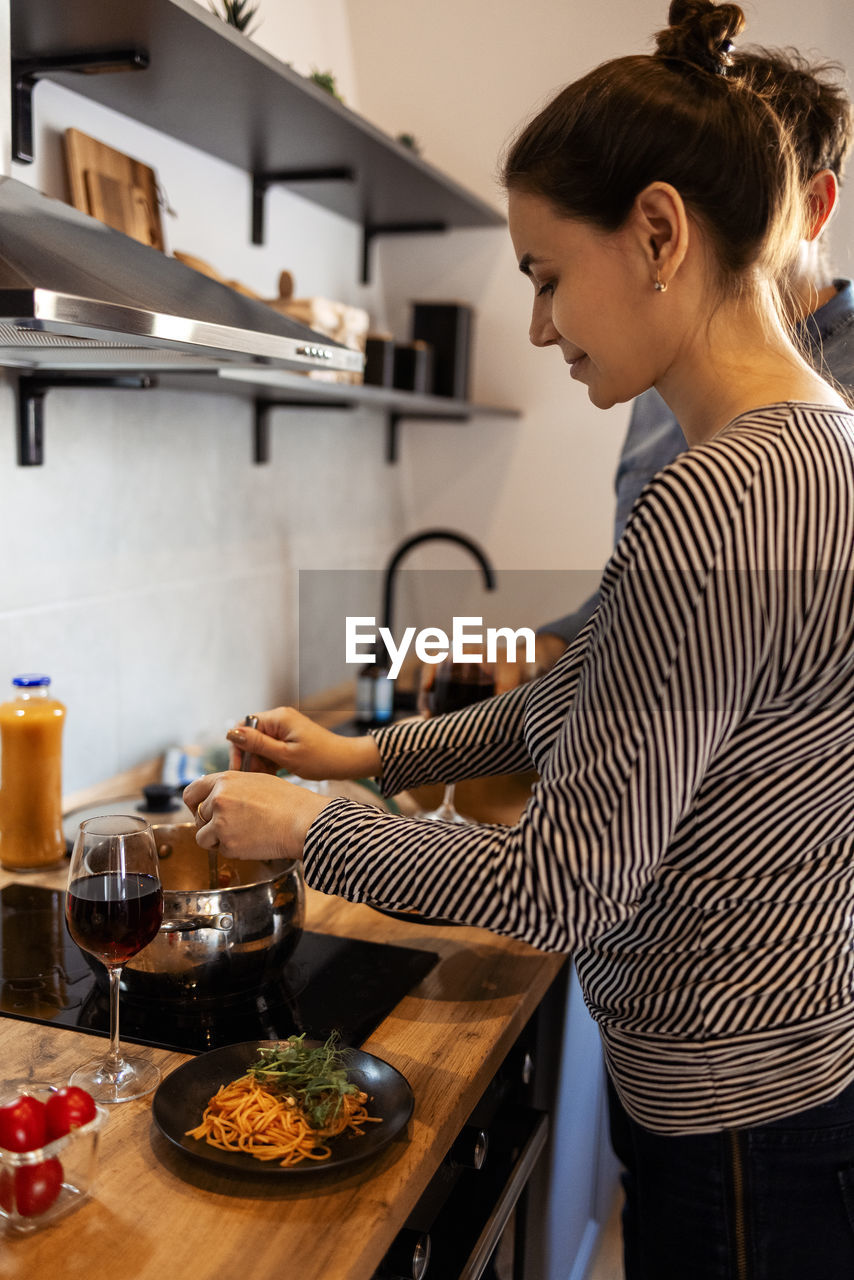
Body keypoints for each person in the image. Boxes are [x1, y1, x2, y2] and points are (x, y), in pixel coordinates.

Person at [186, 3, 854, 1275]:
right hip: (775, 1087)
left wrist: (306, 828)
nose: (539, 326)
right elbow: (578, 693)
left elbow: (558, 885)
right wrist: (354, 757)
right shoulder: (804, 441)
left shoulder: (719, 494)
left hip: (739, 1122)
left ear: (657, 231)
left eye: (545, 275)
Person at [535, 44, 854, 672]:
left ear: (812, 208)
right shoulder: (659, 365)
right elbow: (649, 596)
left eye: (744, 195)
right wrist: (546, 648)